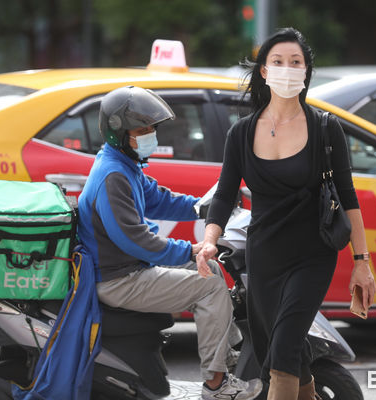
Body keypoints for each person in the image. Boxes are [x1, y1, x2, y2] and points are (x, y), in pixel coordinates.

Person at [196, 28, 376, 400]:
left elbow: (348, 198)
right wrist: (208, 241)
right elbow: (224, 193)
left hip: (313, 255)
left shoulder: (326, 129)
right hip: (264, 257)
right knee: (279, 350)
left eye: (296, 63)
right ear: (263, 71)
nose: (287, 70)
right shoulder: (241, 134)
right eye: (278, 62)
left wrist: (362, 261)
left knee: (284, 348)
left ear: (307, 72)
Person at [77, 86, 262, 400]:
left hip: (127, 269)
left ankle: (225, 357)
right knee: (211, 287)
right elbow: (136, 241)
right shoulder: (113, 176)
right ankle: (217, 385)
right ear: (117, 134)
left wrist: (206, 207)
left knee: (210, 268)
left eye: (152, 129)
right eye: (141, 130)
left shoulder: (124, 164)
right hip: (118, 279)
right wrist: (189, 249)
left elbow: (159, 199)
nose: (150, 135)